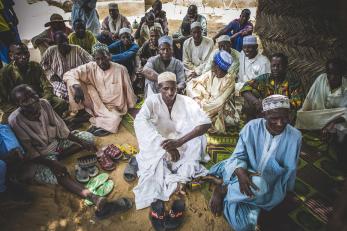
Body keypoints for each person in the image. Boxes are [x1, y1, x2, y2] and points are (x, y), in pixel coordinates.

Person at [8, 84, 132, 218]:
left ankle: (59, 156)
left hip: (57, 143)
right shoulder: (15, 121)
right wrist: (52, 164)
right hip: (41, 155)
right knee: (59, 174)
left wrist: (81, 142)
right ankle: (93, 197)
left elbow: (62, 129)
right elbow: (30, 152)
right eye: (25, 100)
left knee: (88, 138)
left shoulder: (44, 104)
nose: (32, 101)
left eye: (33, 95)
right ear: (18, 105)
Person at [207, 94, 302, 231]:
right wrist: (239, 170)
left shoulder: (295, 137)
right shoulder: (251, 127)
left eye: (285, 117)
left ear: (289, 115)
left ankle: (232, 191)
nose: (280, 123)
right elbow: (238, 155)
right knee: (258, 185)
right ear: (264, 115)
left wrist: (288, 191)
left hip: (269, 186)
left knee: (243, 226)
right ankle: (222, 189)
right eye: (274, 118)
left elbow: (290, 168)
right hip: (244, 175)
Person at [133, 71, 211, 210]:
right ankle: (176, 181)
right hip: (160, 144)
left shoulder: (187, 101)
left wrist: (179, 142)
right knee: (147, 132)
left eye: (173, 88)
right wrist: (165, 145)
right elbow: (139, 122)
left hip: (182, 142)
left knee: (199, 138)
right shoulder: (152, 101)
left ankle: (179, 179)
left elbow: (206, 123)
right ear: (159, 88)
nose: (170, 92)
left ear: (177, 87)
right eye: (165, 88)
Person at [64, 43, 137, 136]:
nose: (101, 62)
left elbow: (129, 90)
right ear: (94, 59)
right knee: (73, 82)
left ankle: (93, 119)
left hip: (113, 107)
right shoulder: (91, 67)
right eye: (97, 59)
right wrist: (77, 86)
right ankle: (80, 112)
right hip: (95, 101)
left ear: (109, 56)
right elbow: (68, 74)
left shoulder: (121, 69)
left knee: (114, 120)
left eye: (104, 58)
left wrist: (132, 106)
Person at [296, 58, 347, 166]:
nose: (332, 77)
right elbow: (310, 98)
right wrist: (305, 113)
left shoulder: (346, 87)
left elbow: (345, 112)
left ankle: (338, 162)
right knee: (300, 115)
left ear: (342, 74)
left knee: (341, 133)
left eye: (336, 74)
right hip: (318, 114)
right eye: (329, 73)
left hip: (337, 120)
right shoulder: (321, 79)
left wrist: (331, 123)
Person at [0, 43, 68, 123]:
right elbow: (3, 102)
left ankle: (53, 122)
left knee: (61, 103)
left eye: (25, 53)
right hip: (19, 106)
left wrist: (42, 102)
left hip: (38, 100)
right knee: (8, 121)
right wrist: (23, 109)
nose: (24, 57)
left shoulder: (35, 66)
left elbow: (47, 87)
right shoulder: (4, 73)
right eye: (18, 54)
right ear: (11, 56)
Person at [187, 51, 239, 134]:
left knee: (226, 121)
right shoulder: (211, 73)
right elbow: (191, 83)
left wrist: (201, 109)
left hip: (219, 109)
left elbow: (220, 102)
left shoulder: (229, 80)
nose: (211, 63)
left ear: (218, 66)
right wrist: (197, 99)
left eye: (213, 62)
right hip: (203, 103)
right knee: (196, 86)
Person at [240, 53, 304, 121]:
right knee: (250, 97)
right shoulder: (265, 78)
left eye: (279, 66)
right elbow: (245, 87)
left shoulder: (293, 82)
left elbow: (297, 102)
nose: (275, 68)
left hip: (284, 115)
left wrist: (273, 105)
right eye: (273, 66)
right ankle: (252, 125)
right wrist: (256, 102)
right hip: (265, 112)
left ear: (285, 67)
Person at [41, 31, 92, 101]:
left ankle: (74, 100)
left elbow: (91, 61)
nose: (64, 43)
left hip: (77, 80)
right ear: (56, 43)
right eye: (61, 42)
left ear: (68, 40)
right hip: (59, 80)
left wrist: (83, 72)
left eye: (66, 41)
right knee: (56, 89)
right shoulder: (50, 51)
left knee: (84, 89)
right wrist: (51, 74)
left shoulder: (77, 49)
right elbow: (42, 64)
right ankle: (71, 101)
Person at [0, 0, 20, 65]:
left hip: (7, 24)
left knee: (16, 46)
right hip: (4, 28)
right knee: (4, 51)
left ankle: (16, 64)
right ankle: (11, 66)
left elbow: (9, 3)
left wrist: (14, 15)